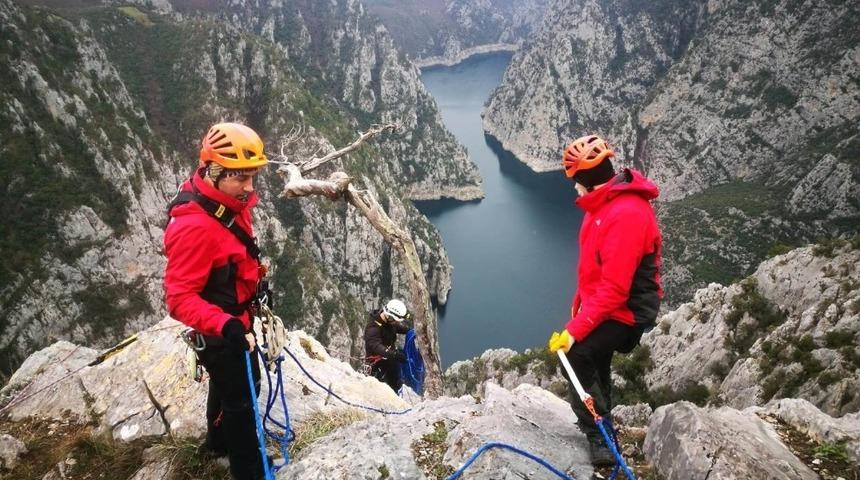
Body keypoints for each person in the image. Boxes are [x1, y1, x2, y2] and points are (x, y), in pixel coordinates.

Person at [548, 134, 663, 467]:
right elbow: (592, 271)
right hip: (609, 303)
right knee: (594, 359)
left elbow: (615, 289)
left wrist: (574, 330)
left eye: (576, 180)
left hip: (629, 310)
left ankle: (599, 433)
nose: (574, 187)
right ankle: (605, 420)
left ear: (587, 180)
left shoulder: (626, 214)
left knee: (573, 355)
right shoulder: (602, 205)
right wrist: (579, 308)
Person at [164, 122, 270, 480]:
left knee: (229, 386)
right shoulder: (194, 227)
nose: (250, 187)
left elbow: (233, 253)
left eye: (252, 176)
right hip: (222, 329)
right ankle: (249, 471)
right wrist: (226, 326)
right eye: (241, 177)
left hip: (234, 319)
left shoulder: (226, 203)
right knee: (242, 400)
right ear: (213, 172)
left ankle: (218, 443)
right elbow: (178, 298)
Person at [364, 299, 411, 392]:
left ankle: (396, 392)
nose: (396, 322)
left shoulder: (387, 321)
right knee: (380, 390)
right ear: (389, 317)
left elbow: (395, 327)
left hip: (389, 359)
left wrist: (409, 331)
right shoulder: (372, 328)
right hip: (377, 365)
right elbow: (377, 347)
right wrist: (394, 355)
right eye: (395, 320)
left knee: (395, 383)